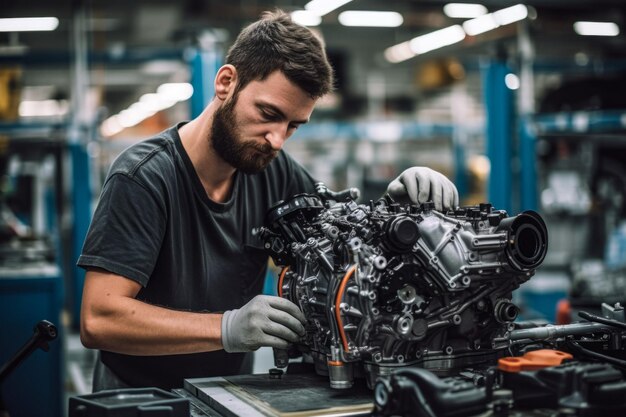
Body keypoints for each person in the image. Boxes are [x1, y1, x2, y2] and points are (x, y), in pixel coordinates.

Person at [78, 9, 459, 392]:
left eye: (292, 125)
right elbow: (99, 320)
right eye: (268, 114)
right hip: (137, 395)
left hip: (225, 391)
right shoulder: (145, 176)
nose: (277, 139)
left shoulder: (274, 171)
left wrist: (398, 209)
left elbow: (343, 247)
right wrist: (228, 327)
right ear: (226, 82)